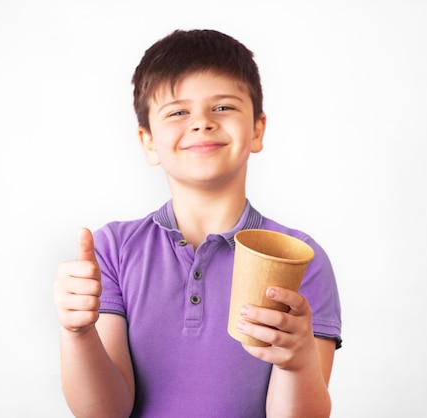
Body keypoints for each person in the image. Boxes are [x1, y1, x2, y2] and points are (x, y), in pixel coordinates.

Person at [54, 29, 342, 418]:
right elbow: (105, 412)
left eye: (223, 107)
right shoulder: (114, 250)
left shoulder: (300, 257)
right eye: (177, 112)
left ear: (257, 129)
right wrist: (78, 334)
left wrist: (298, 360)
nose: (202, 123)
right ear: (149, 141)